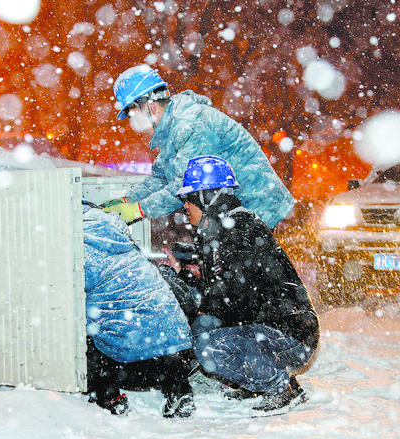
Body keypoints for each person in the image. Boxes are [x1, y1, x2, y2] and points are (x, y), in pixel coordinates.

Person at [167, 155, 319, 417]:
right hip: (268, 327)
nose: (185, 206)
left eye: (189, 198)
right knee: (205, 327)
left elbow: (233, 293)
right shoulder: (218, 230)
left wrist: (198, 304)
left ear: (207, 198)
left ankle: (282, 388)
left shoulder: (240, 227)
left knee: (207, 345)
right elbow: (224, 292)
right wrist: (187, 277)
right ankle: (258, 381)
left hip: (291, 333)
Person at [101, 64, 295, 230]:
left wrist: (138, 210)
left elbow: (184, 187)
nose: (134, 126)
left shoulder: (191, 125)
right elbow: (161, 178)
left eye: (134, 116)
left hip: (263, 212)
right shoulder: (172, 129)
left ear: (150, 107)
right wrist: (127, 200)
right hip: (237, 215)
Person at [82, 202, 197, 418]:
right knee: (156, 327)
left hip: (132, 365)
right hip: (178, 358)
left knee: (87, 331)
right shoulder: (124, 243)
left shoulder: (79, 244)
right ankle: (180, 390)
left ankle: (109, 398)